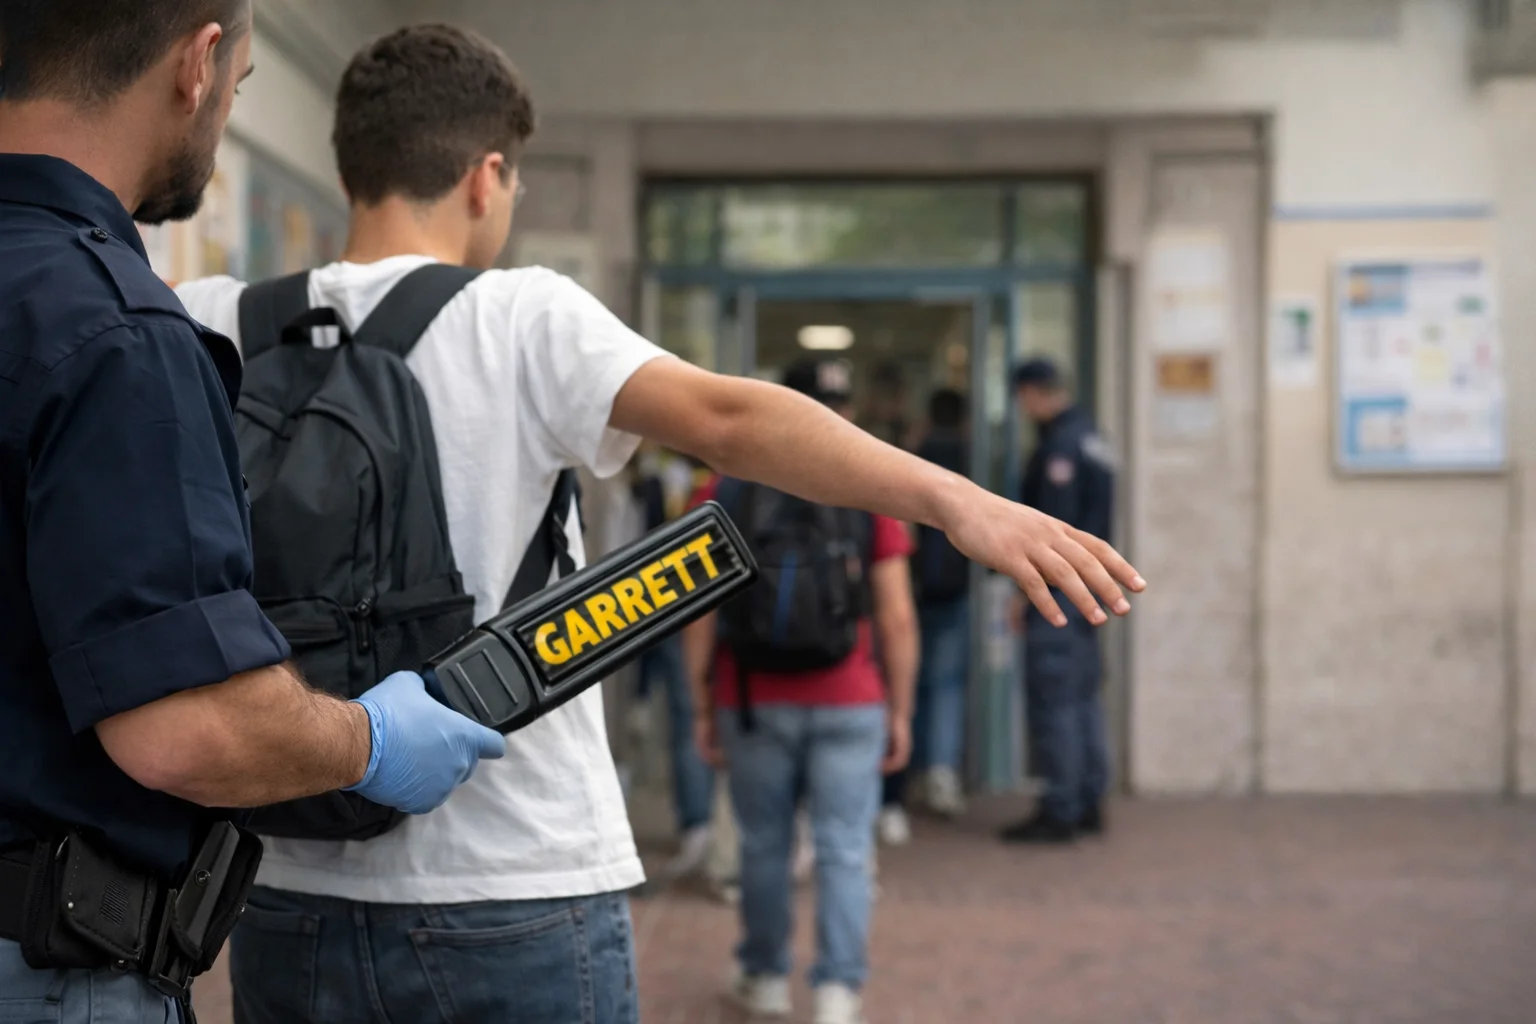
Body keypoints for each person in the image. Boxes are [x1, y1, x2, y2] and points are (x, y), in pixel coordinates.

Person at [178, 27, 1142, 1024]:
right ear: (485, 176)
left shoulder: (214, 320)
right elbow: (732, 416)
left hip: (284, 886)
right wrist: (960, 501)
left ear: (352, 163)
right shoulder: (521, 317)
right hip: (516, 890)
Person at [0, 4, 503, 1019]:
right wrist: (366, 739)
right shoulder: (112, 327)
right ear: (197, 61)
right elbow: (184, 730)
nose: (230, 104)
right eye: (244, 79)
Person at [684, 358, 919, 1024]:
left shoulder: (724, 489)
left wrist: (703, 703)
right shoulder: (869, 484)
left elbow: (696, 613)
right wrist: (900, 708)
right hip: (850, 697)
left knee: (765, 845)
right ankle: (838, 993)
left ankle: (763, 977)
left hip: (752, 695)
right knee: (845, 847)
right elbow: (896, 614)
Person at [999, 358, 1116, 844]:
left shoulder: (1060, 447)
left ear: (1031, 392)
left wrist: (1030, 592)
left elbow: (1051, 533)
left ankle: (1061, 808)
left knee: (1056, 702)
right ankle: (1088, 798)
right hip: (1087, 588)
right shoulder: (1091, 436)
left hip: (1060, 593)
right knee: (1083, 697)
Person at [889, 388, 975, 836]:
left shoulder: (914, 456)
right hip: (956, 588)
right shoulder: (972, 453)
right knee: (944, 685)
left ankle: (901, 785)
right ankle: (940, 771)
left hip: (911, 585)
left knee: (907, 680)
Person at [629, 449, 715, 879]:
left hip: (675, 614)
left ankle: (698, 825)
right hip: (724, 622)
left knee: (689, 722)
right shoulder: (730, 484)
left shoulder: (667, 482)